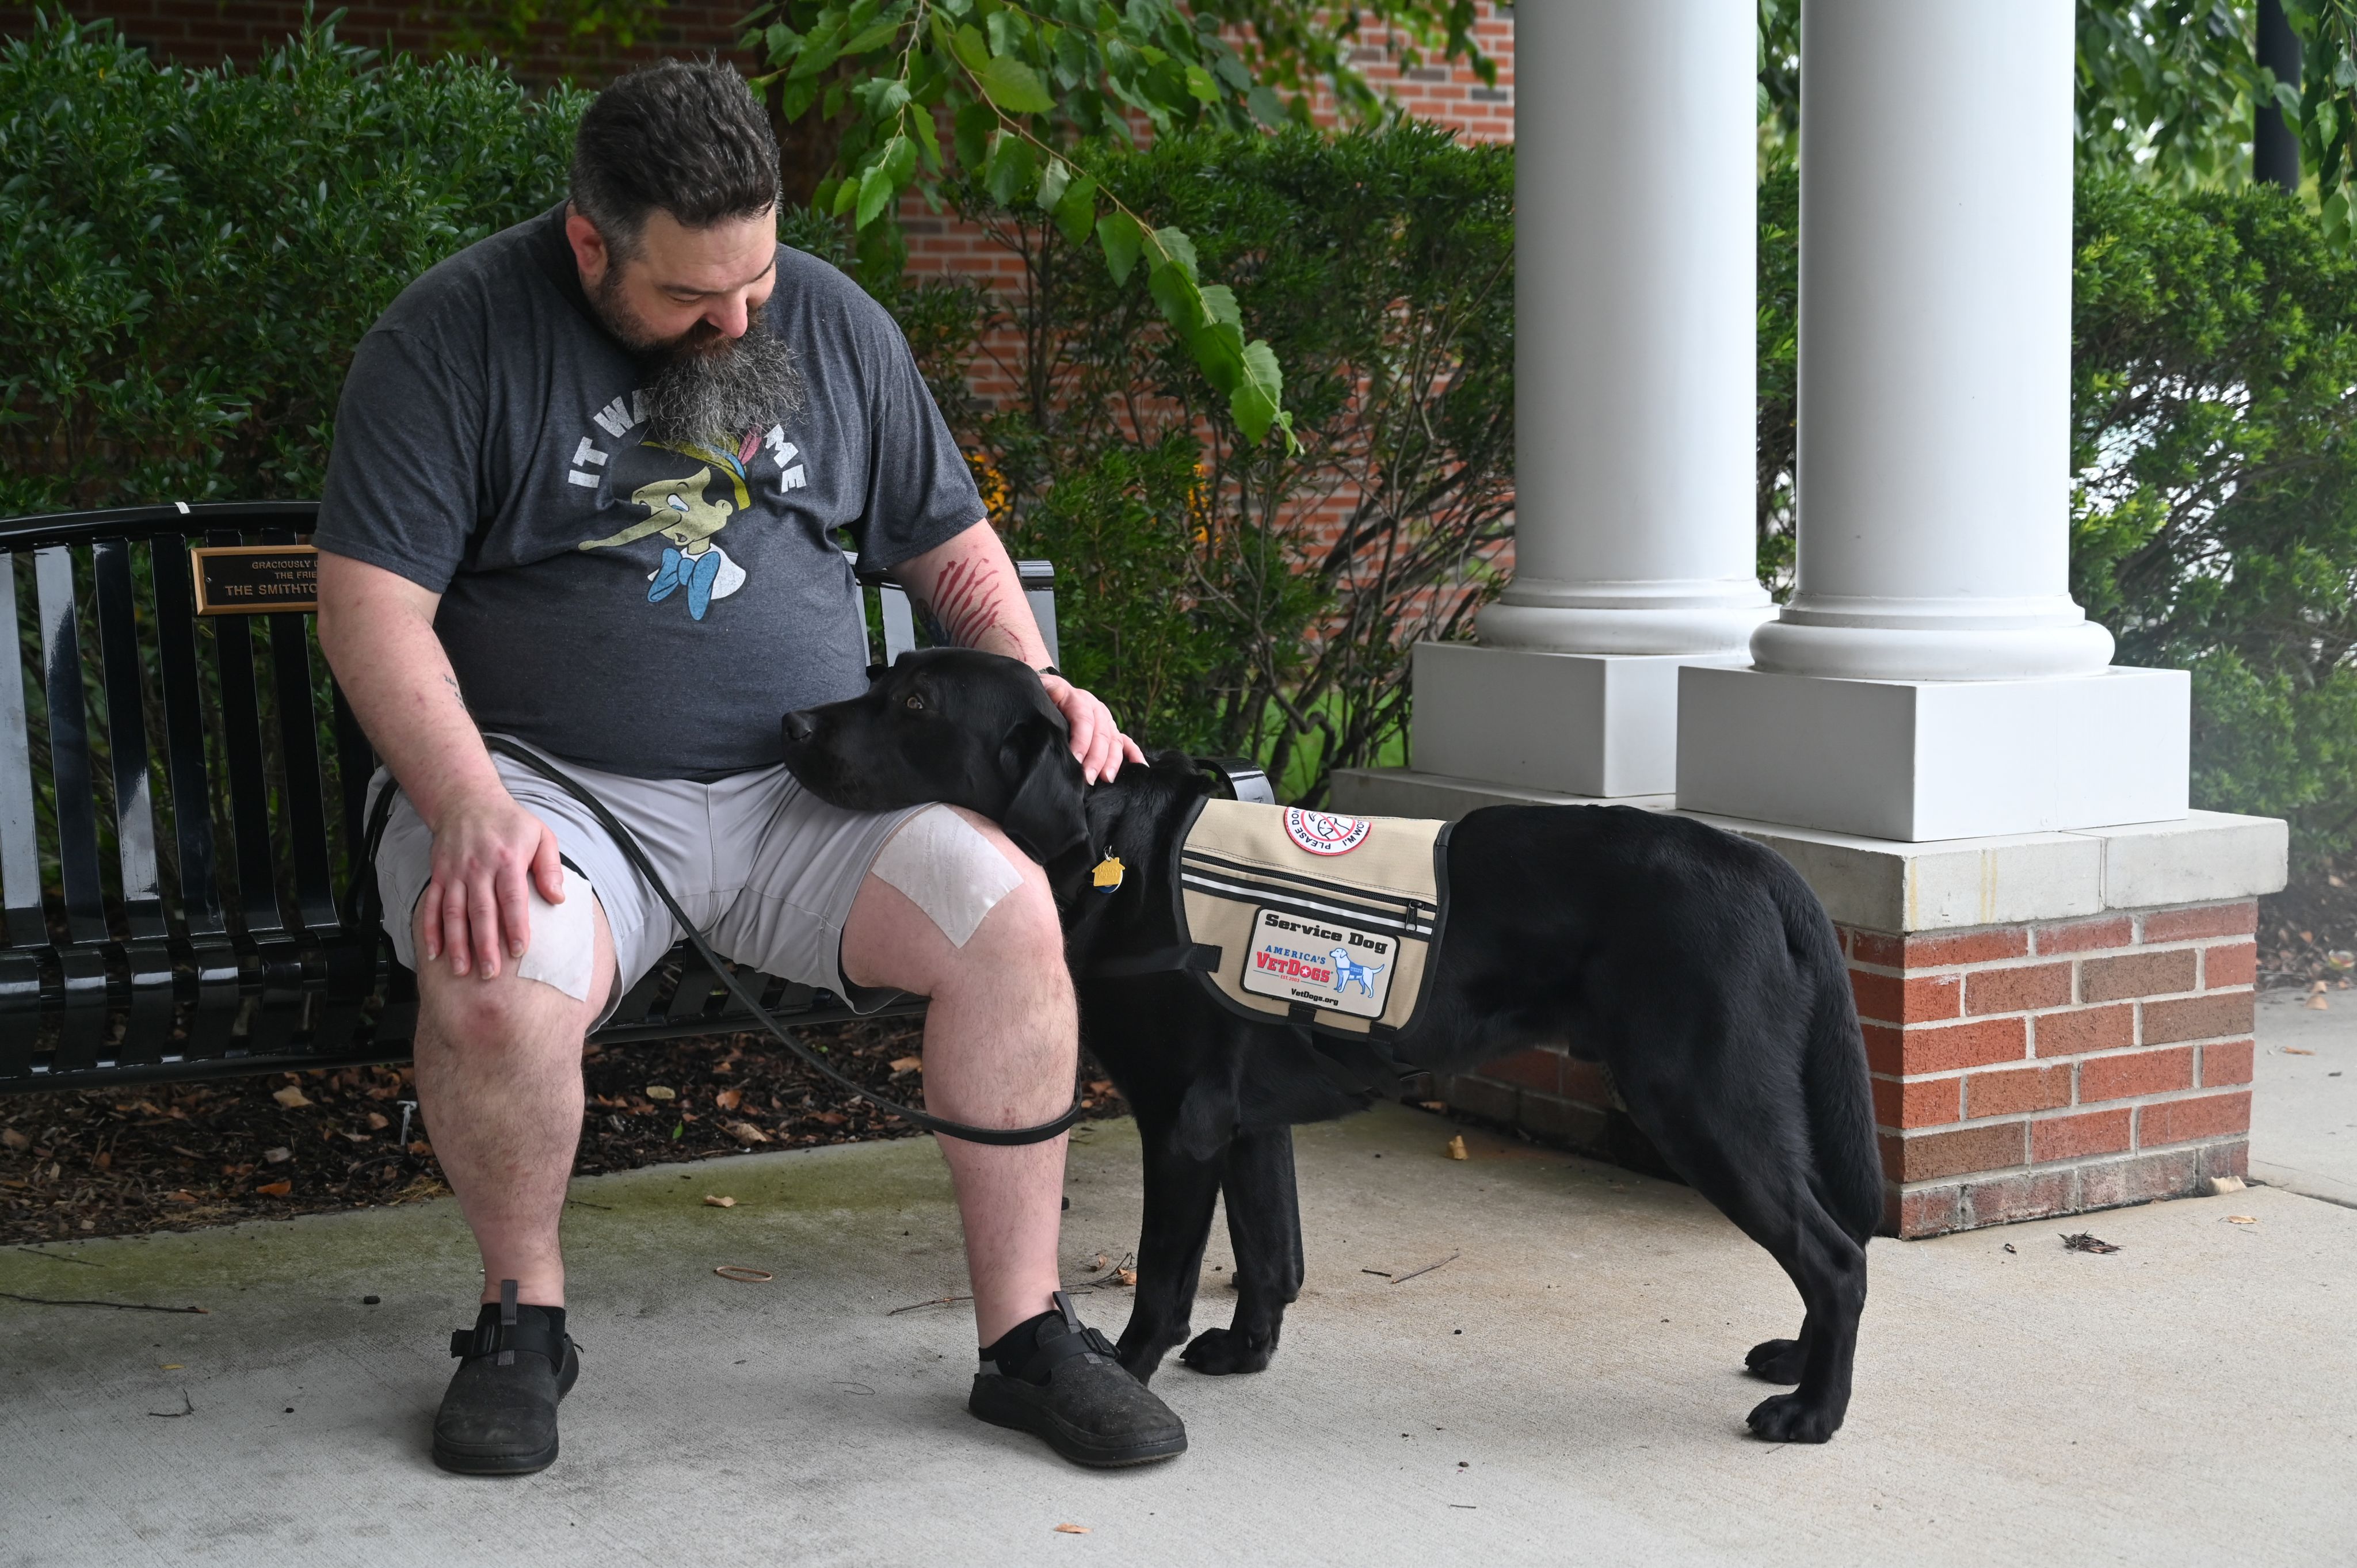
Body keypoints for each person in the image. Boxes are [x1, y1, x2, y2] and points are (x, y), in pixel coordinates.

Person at [313, 57, 1181, 1475]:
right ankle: (519, 1320)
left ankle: (1026, 1338)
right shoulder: (451, 338)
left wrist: (1029, 683)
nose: (732, 320)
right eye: (687, 298)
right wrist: (465, 804)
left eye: (756, 280)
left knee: (1010, 916)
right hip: (552, 790)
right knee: (493, 972)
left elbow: (950, 549)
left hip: (812, 791)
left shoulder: (831, 323)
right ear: (591, 242)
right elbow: (370, 606)